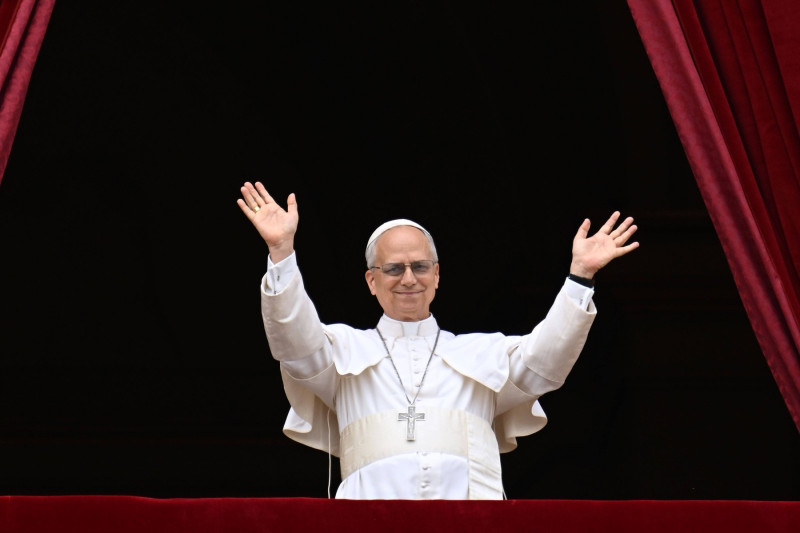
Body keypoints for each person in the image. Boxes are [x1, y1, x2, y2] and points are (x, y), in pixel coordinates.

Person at [237, 180, 639, 500]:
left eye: (420, 266)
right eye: (393, 268)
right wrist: (281, 252)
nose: (408, 278)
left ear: (437, 275)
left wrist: (579, 276)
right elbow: (293, 342)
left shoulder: (484, 352)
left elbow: (545, 364)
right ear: (371, 281)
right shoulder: (340, 350)